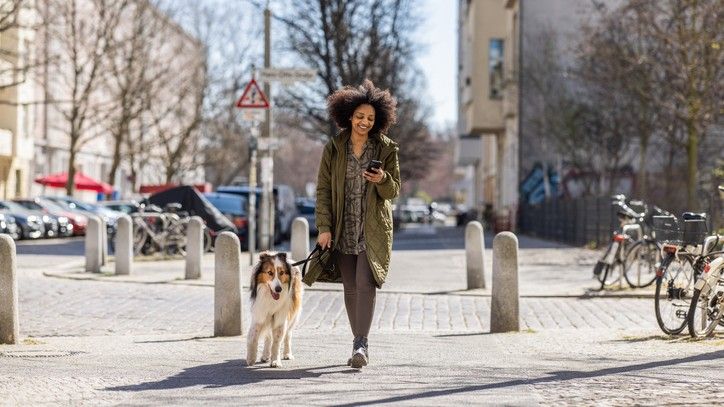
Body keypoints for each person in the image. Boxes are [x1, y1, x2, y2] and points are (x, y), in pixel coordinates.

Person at [301, 79, 400, 369]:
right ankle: (358, 339)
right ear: (348, 116)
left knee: (364, 282)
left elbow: (394, 190)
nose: (364, 122)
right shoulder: (334, 148)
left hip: (372, 228)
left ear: (377, 120)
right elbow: (322, 190)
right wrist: (324, 227)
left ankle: (361, 344)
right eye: (360, 117)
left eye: (370, 118)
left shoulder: (386, 149)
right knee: (350, 287)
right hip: (343, 226)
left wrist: (382, 179)